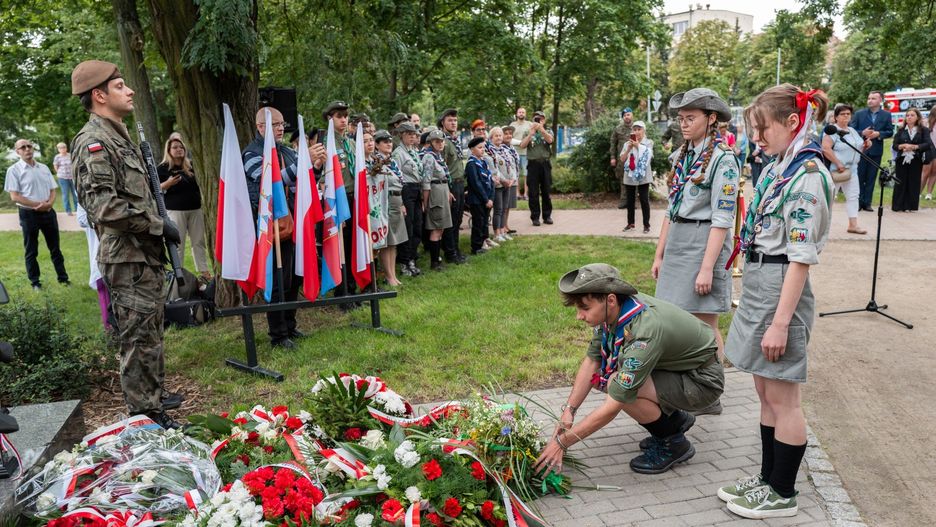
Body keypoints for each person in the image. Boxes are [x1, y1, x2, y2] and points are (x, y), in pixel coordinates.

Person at [720, 85, 834, 520]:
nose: (757, 138)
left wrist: (781, 323)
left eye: (762, 128)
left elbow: (800, 257)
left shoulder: (805, 174)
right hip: (761, 281)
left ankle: (783, 492)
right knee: (765, 389)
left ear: (792, 122)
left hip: (781, 287)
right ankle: (768, 477)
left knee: (785, 397)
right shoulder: (780, 165)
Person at [69, 60, 181, 428]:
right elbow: (105, 207)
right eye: (120, 86)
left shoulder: (119, 136)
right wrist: (158, 225)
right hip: (127, 258)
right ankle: (145, 419)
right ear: (99, 95)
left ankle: (154, 402)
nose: (130, 90)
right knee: (137, 340)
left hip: (141, 255)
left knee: (149, 334)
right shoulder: (94, 143)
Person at [533, 263, 724, 475]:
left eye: (585, 308)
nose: (579, 316)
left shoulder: (644, 329)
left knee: (617, 384)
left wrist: (561, 442)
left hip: (701, 380)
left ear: (611, 300)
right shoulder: (617, 308)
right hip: (679, 368)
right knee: (606, 378)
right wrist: (569, 411)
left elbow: (615, 403)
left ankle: (673, 444)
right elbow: (592, 360)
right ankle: (675, 420)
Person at [653, 88, 739, 374]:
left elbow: (723, 219)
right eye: (681, 118)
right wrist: (659, 254)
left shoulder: (723, 161)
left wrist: (706, 268)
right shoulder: (683, 156)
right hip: (678, 242)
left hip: (704, 244)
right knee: (676, 321)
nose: (684, 124)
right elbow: (671, 209)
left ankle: (711, 390)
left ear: (711, 118)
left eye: (691, 117)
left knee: (704, 325)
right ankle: (688, 384)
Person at [243, 106, 305, 348]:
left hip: (293, 222)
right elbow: (270, 181)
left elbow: (304, 179)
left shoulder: (287, 151)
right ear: (261, 127)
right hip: (270, 228)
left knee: (293, 278)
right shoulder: (251, 153)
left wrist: (317, 166)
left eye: (282, 124)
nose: (281, 128)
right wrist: (303, 163)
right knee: (277, 279)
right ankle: (278, 336)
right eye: (276, 125)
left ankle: (290, 326)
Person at [6, 138, 70, 290]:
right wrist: (38, 205)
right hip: (28, 214)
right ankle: (35, 282)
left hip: (48, 212)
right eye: (23, 147)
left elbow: (53, 190)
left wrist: (49, 204)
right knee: (31, 250)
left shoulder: (43, 168)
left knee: (55, 248)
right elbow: (15, 196)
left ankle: (63, 279)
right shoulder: (13, 170)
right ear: (18, 152)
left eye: (29, 146)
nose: (27, 149)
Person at [157, 134, 211, 280]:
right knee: (177, 243)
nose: (179, 149)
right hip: (175, 210)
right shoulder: (162, 169)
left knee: (199, 241)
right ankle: (178, 273)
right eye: (175, 147)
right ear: (168, 150)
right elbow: (153, 190)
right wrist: (166, 184)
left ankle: (204, 271)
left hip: (195, 209)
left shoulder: (191, 166)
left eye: (181, 147)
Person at [821, 104, 868, 233]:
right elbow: (825, 148)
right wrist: (838, 162)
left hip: (852, 169)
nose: (846, 116)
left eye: (848, 114)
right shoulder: (831, 131)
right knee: (829, 197)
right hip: (837, 170)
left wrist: (866, 145)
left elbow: (857, 148)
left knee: (853, 196)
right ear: (836, 117)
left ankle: (853, 225)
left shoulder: (852, 131)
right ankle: (822, 225)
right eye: (843, 114)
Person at [372, 130, 408, 286]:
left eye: (389, 141)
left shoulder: (391, 161)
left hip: (396, 199)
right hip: (385, 201)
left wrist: (401, 203)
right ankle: (388, 276)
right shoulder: (377, 162)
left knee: (394, 241)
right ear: (377, 145)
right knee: (386, 241)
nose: (388, 144)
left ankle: (392, 274)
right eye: (384, 141)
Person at [850, 91, 894, 211]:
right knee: (859, 176)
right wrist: (862, 133)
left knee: (871, 177)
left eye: (873, 98)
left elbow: (890, 131)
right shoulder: (859, 114)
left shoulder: (886, 115)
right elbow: (851, 130)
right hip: (861, 150)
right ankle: (858, 202)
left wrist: (879, 134)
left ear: (880, 100)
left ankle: (867, 202)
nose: (870, 100)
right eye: (869, 98)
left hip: (876, 151)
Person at [392, 122, 425, 277]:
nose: (413, 136)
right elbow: (396, 176)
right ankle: (405, 262)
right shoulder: (398, 153)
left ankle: (412, 258)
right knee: (408, 227)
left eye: (414, 134)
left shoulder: (414, 151)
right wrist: (400, 201)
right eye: (409, 134)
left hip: (417, 189)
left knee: (418, 226)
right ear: (402, 135)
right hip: (406, 190)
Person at [76, 203, 112, 332]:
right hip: (99, 250)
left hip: (119, 249)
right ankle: (110, 328)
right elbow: (81, 219)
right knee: (103, 286)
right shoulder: (84, 194)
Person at [421, 129, 454, 270]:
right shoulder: (429, 157)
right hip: (435, 193)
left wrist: (448, 191)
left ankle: (438, 259)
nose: (440, 143)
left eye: (442, 141)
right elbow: (426, 181)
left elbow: (444, 177)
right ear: (430, 143)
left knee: (441, 228)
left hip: (442, 190)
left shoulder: (438, 157)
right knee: (436, 228)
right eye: (436, 141)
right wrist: (425, 201)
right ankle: (434, 262)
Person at [438, 109, 468, 264]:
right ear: (442, 122)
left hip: (459, 183)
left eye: (455, 120)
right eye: (450, 120)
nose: (453, 123)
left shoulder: (455, 140)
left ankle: (456, 250)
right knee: (450, 221)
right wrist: (448, 190)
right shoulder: (442, 141)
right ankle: (450, 253)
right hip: (450, 185)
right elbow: (442, 166)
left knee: (457, 220)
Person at [892, 108, 932, 212]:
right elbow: (895, 145)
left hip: (916, 159)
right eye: (908, 115)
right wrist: (902, 146)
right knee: (900, 182)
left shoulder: (924, 130)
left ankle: (911, 206)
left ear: (917, 117)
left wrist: (914, 147)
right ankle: (898, 205)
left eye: (912, 115)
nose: (909, 117)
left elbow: (928, 144)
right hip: (902, 159)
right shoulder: (901, 130)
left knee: (913, 182)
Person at [521, 110, 554, 226]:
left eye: (540, 119)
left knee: (546, 191)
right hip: (533, 164)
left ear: (544, 120)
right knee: (533, 192)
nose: (538, 120)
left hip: (545, 164)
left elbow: (550, 140)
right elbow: (522, 145)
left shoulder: (548, 131)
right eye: (536, 118)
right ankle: (535, 217)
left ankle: (547, 216)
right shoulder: (527, 131)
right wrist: (531, 133)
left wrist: (541, 130)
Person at [620, 121, 654, 233]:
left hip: (643, 175)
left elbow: (649, 156)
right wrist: (629, 148)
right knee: (630, 201)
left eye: (639, 129)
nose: (637, 132)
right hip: (630, 175)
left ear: (644, 130)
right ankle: (630, 223)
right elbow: (622, 159)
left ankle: (646, 225)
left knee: (644, 200)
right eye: (635, 129)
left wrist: (638, 146)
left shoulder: (648, 142)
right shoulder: (626, 144)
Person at [465, 137, 495, 255]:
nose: (482, 150)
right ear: (472, 149)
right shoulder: (471, 164)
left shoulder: (484, 162)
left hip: (487, 199)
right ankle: (476, 247)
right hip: (477, 200)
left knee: (484, 222)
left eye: (484, 147)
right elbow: (476, 184)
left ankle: (484, 241)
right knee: (478, 223)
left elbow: (490, 180)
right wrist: (485, 199)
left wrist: (491, 198)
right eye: (479, 147)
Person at [489, 126, 516, 243]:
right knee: (498, 209)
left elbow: (512, 165)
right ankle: (497, 233)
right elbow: (494, 169)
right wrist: (504, 180)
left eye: (500, 135)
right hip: (499, 185)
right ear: (491, 138)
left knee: (504, 208)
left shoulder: (505, 150)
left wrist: (512, 179)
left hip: (508, 184)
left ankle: (503, 231)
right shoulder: (490, 151)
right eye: (496, 135)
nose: (499, 137)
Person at [610, 108, 635, 208]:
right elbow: (612, 143)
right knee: (623, 178)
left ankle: (632, 202)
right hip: (622, 158)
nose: (626, 117)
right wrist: (612, 157)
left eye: (628, 114)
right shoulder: (618, 129)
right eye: (624, 115)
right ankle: (624, 201)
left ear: (632, 115)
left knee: (634, 178)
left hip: (634, 157)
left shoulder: (636, 128)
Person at [501, 125, 521, 235]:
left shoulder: (511, 148)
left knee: (508, 205)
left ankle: (506, 225)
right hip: (506, 180)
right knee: (504, 205)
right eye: (506, 133)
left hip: (513, 179)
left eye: (510, 133)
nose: (508, 135)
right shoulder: (500, 148)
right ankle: (502, 227)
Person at [510, 107, 533, 200]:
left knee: (526, 174)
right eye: (520, 112)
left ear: (525, 114)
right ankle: (517, 194)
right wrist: (520, 143)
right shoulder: (512, 125)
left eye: (523, 112)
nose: (521, 113)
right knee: (516, 174)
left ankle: (526, 194)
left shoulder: (529, 124)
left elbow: (533, 136)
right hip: (514, 153)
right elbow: (509, 138)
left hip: (526, 152)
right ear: (517, 114)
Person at [52, 142, 78, 216]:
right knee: (65, 195)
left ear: (66, 148)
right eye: (61, 148)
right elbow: (55, 166)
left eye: (64, 147)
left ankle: (77, 210)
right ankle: (68, 211)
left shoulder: (70, 155)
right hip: (63, 178)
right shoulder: (57, 157)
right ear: (58, 149)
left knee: (75, 194)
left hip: (72, 177)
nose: (63, 149)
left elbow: (74, 164)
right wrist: (60, 173)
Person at [921, 111, 936, 200]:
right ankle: (918, 192)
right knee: (926, 172)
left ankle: (929, 193)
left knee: (934, 171)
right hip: (928, 148)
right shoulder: (926, 122)